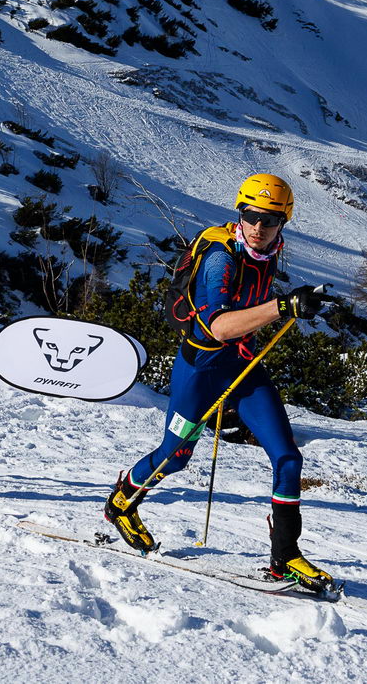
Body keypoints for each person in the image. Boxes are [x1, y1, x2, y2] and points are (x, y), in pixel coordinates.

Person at [103, 173, 334, 595]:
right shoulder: (220, 258)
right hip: (200, 370)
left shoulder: (266, 252)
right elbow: (221, 326)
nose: (258, 227)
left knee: (287, 459)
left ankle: (285, 558)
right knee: (174, 458)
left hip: (242, 366)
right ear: (239, 213)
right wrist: (284, 306)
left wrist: (301, 302)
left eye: (269, 219)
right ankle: (121, 501)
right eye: (250, 216)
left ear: (284, 222)